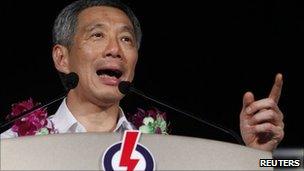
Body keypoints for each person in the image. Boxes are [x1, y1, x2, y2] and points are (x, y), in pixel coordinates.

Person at [1, 0, 284, 152]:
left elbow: (285, 167)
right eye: (97, 35)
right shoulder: (13, 146)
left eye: (126, 39)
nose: (115, 50)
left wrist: (255, 158)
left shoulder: (167, 151)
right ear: (62, 58)